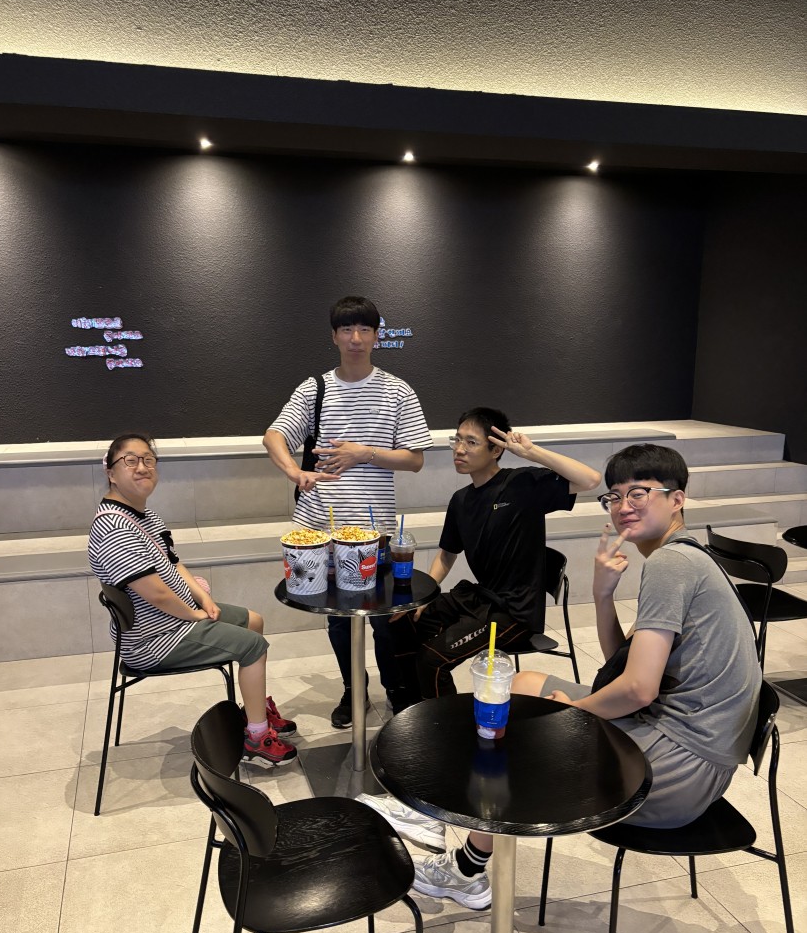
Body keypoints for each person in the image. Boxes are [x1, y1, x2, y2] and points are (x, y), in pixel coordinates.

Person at [403, 444, 762, 909]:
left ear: (677, 499)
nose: (623, 506)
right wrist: (603, 594)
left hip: (682, 770)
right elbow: (621, 667)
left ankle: (465, 868)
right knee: (522, 687)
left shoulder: (672, 564)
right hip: (689, 750)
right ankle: (453, 822)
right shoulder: (684, 557)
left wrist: (574, 712)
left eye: (639, 493)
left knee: (522, 733)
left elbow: (638, 689)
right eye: (614, 496)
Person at [264, 295, 432, 727]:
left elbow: (415, 458)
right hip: (320, 528)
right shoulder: (314, 389)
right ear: (334, 336)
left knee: (385, 619)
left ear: (377, 336)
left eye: (364, 330)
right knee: (338, 621)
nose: (355, 338)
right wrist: (294, 472)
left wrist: (364, 453)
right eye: (346, 330)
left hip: (375, 531)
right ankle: (352, 688)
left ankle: (396, 690)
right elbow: (274, 436)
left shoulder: (397, 390)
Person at [89, 432, 297, 765]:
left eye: (148, 460)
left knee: (254, 621)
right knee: (254, 647)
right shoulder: (113, 526)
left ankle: (253, 711)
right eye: (130, 460)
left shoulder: (144, 516)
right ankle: (257, 738)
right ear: (111, 472)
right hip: (154, 639)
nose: (142, 467)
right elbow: (156, 593)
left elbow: (174, 564)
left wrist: (203, 599)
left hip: (174, 620)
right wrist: (192, 614)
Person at [385, 407, 602, 708]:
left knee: (432, 660)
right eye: (457, 440)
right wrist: (422, 599)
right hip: (480, 598)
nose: (459, 449)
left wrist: (531, 452)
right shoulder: (461, 500)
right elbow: (447, 555)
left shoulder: (522, 485)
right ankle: (411, 706)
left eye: (471, 442)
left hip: (514, 612)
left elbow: (591, 479)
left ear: (496, 449)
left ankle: (444, 726)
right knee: (401, 621)